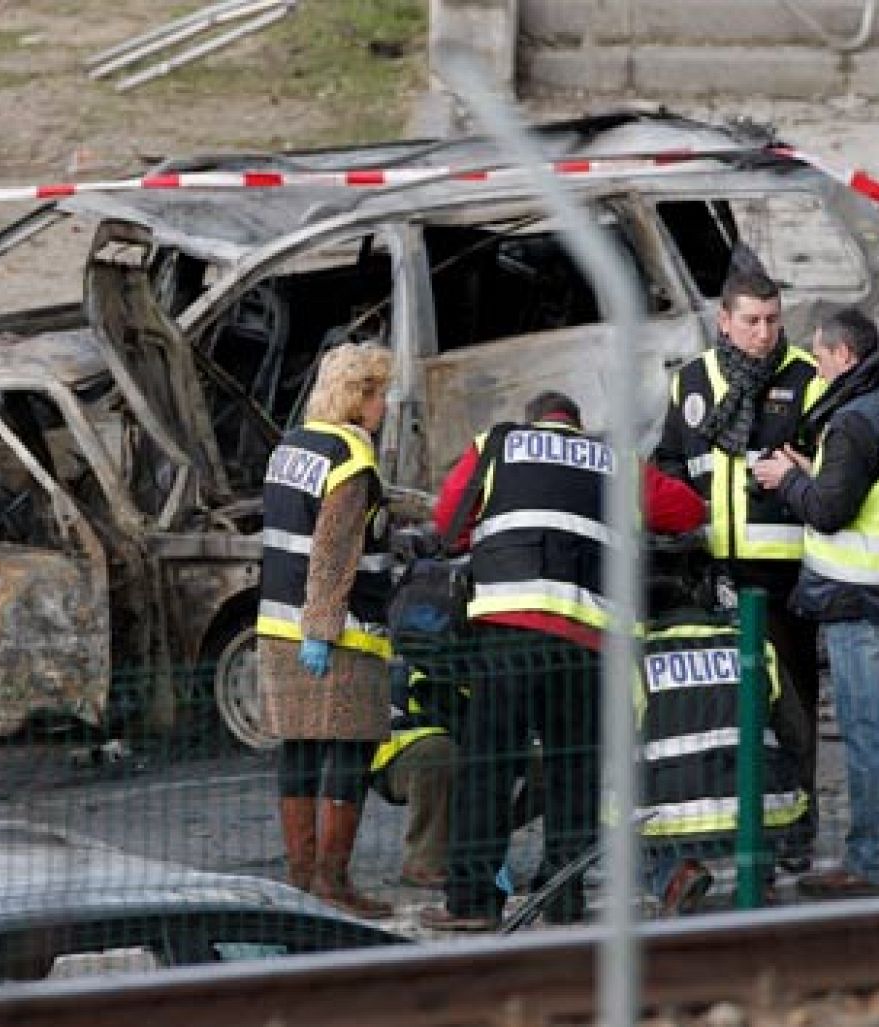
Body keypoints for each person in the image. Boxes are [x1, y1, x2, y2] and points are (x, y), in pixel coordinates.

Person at [421, 390, 706, 931]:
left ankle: (473, 904)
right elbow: (686, 511)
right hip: (586, 640)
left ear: (535, 422)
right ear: (577, 426)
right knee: (574, 770)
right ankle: (563, 901)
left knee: (488, 767)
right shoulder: (615, 461)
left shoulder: (496, 446)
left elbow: (448, 523)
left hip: (508, 632)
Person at [753, 307, 879, 897]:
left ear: (842, 356)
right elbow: (875, 489)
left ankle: (870, 862)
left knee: (871, 734)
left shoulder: (853, 422)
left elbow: (829, 511)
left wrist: (784, 481)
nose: (812, 366)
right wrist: (818, 471)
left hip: (860, 599)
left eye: (817, 356)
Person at [653, 261, 828, 871]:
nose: (764, 334)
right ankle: (725, 822)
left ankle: (797, 827)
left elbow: (828, 473)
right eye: (752, 322)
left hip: (785, 578)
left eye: (773, 322)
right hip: (711, 570)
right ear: (724, 322)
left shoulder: (806, 377)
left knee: (794, 708)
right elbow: (672, 461)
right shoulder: (693, 382)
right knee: (718, 704)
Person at [257, 342, 395, 919]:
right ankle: (333, 884)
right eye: (381, 394)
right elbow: (334, 551)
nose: (386, 406)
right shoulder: (352, 460)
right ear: (361, 399)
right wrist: (322, 628)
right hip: (341, 636)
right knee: (348, 753)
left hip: (275, 625)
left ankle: (300, 879)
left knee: (299, 752)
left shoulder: (291, 447)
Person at [634, 612, 810, 916]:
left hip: (674, 812)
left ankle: (673, 876)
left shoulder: (637, 656)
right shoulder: (753, 643)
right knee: (769, 793)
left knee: (615, 820)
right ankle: (758, 876)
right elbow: (797, 732)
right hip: (758, 802)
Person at [369, 665, 466, 888]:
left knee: (542, 761)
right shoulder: (421, 674)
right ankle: (424, 864)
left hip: (462, 752)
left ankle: (484, 842)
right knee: (439, 752)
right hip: (397, 762)